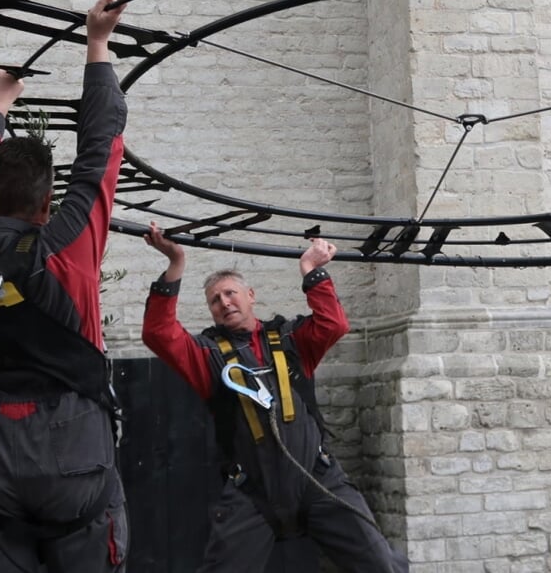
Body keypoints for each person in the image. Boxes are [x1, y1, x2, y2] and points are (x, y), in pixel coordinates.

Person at [0, 0, 130, 573]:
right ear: (48, 205)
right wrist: (97, 43)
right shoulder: (65, 243)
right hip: (74, 452)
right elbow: (102, 146)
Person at [141, 224, 409, 573]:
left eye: (230, 293)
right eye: (215, 300)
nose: (224, 303)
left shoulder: (291, 339)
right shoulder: (206, 355)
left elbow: (333, 325)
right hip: (252, 492)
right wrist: (175, 262)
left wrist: (311, 271)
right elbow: (158, 333)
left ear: (250, 295)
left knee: (379, 563)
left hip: (317, 478)